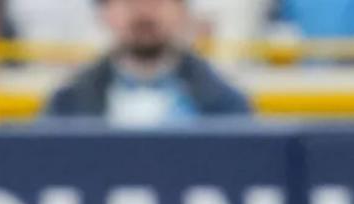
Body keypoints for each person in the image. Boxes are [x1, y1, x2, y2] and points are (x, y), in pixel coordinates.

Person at [45, 0, 251, 125]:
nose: (144, 13)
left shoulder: (225, 105)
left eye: (157, 1)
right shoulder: (68, 105)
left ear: (182, 11)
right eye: (130, 2)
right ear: (104, 12)